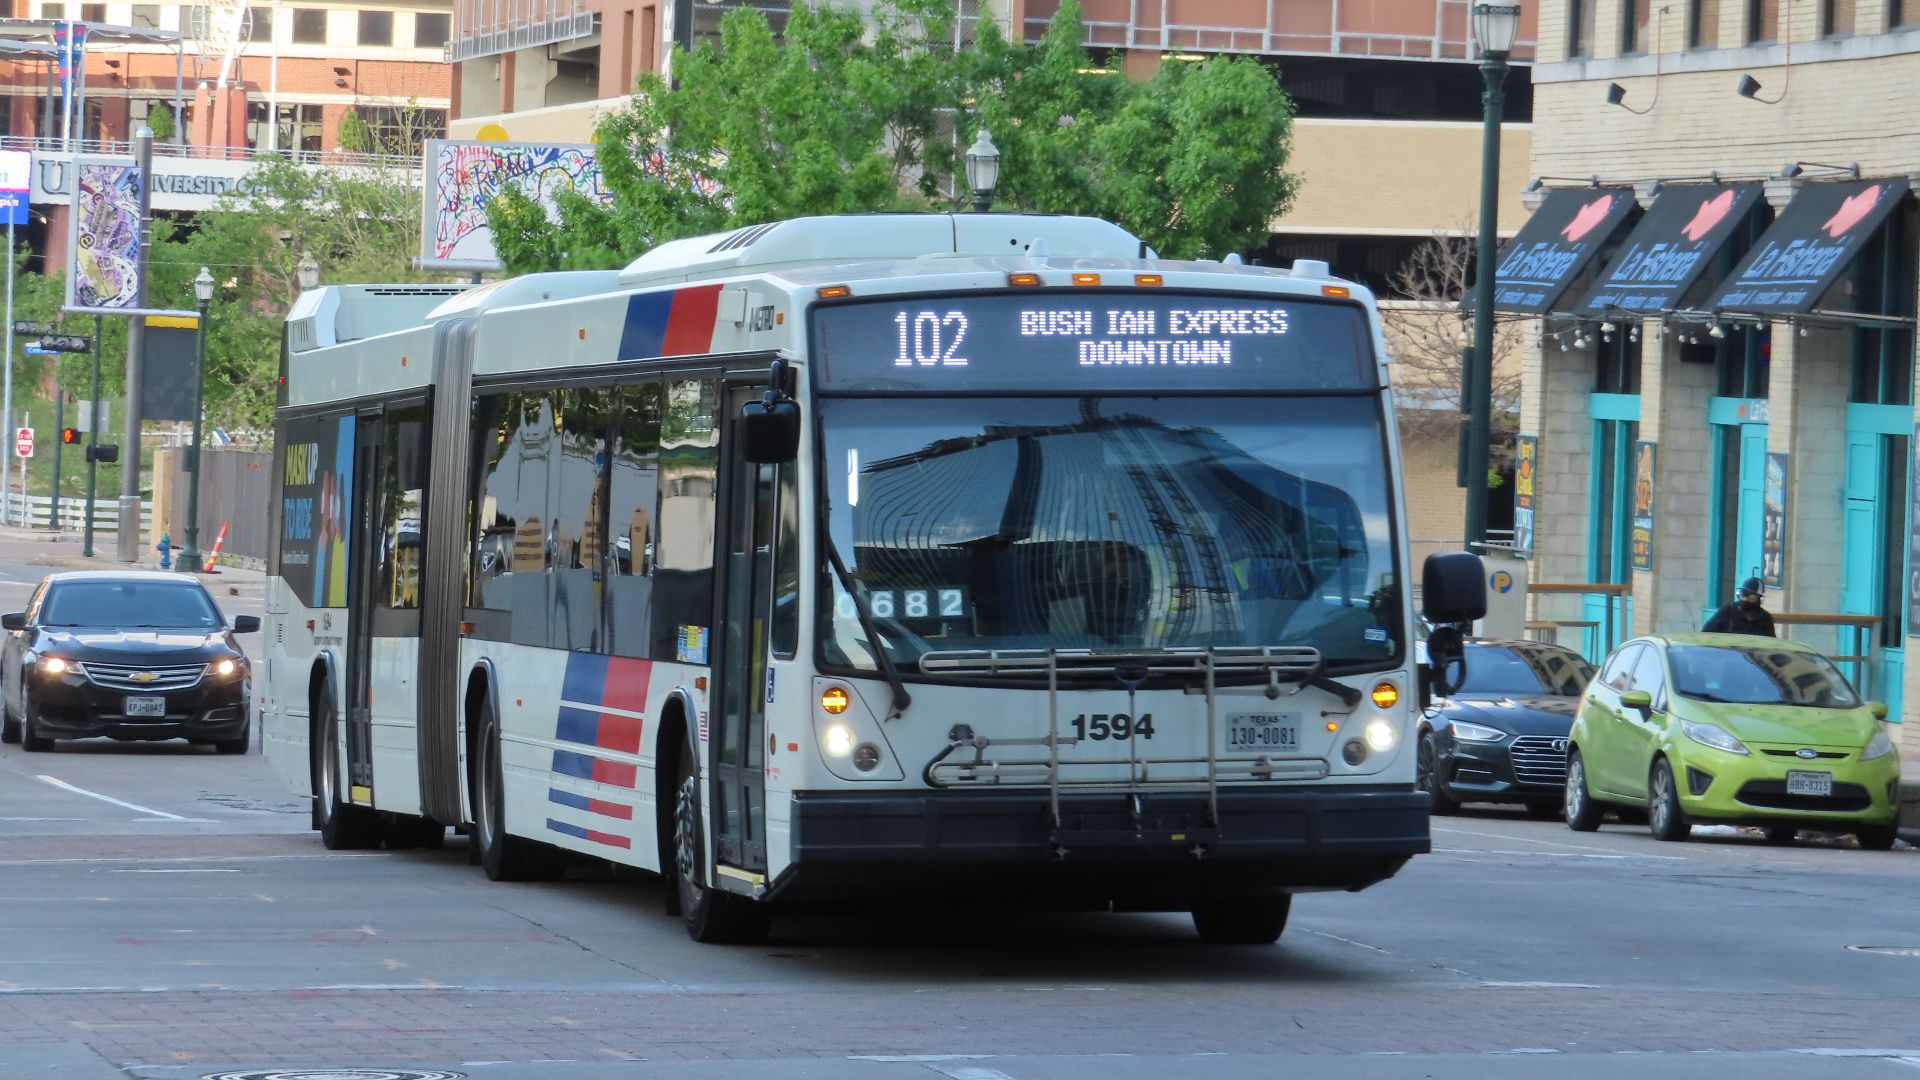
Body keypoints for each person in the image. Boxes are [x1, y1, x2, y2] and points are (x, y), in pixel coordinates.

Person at [1702, 577, 1775, 637]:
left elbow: (1772, 646)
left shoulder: (1766, 619)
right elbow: (1705, 634)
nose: (1745, 598)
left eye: (1751, 596)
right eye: (1743, 594)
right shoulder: (1727, 612)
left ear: (1759, 599)